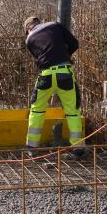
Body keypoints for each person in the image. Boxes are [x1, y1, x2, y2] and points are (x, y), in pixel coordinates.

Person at [23, 16, 86, 158]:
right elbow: (74, 44)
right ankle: (78, 148)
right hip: (65, 73)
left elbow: (40, 56)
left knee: (37, 110)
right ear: (39, 23)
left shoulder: (29, 40)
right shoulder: (55, 25)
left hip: (45, 76)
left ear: (28, 29)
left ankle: (31, 147)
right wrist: (64, 55)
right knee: (73, 111)